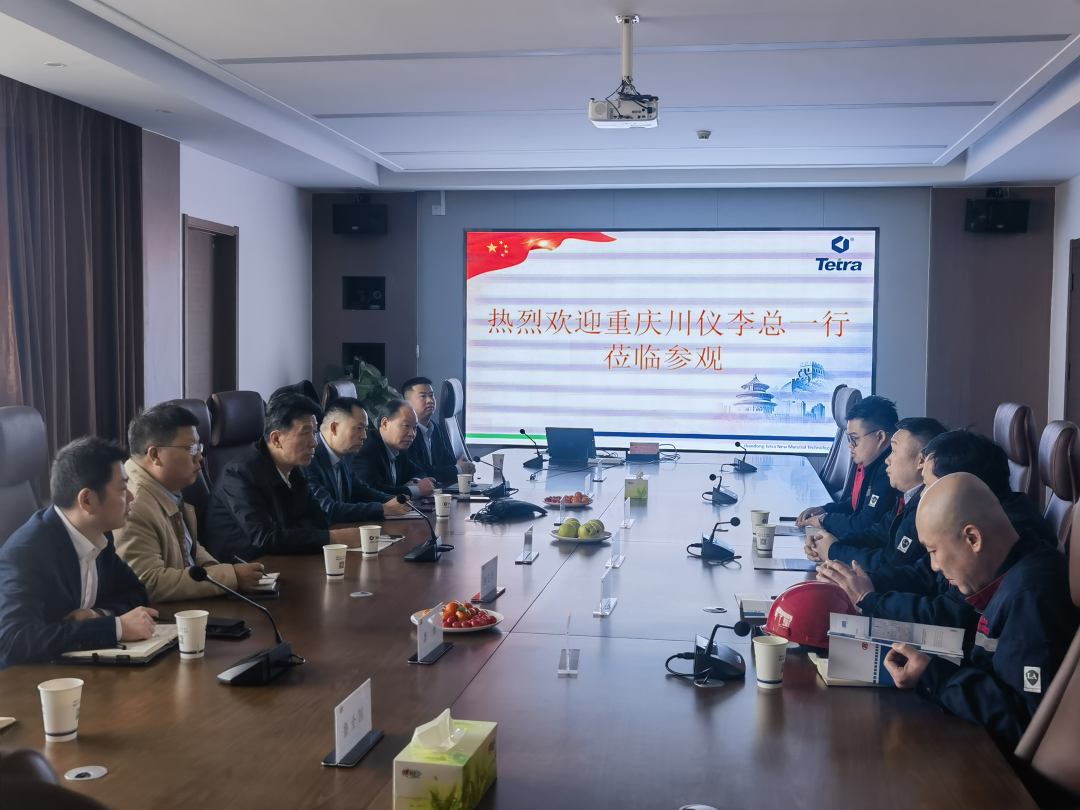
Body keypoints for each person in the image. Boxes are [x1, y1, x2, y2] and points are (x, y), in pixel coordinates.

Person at [882, 473, 1080, 752]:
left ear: (973, 538)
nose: (934, 566)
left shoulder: (1032, 597)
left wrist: (934, 678)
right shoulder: (1015, 575)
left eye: (934, 551)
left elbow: (1026, 723)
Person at [819, 429, 1058, 629]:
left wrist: (870, 600)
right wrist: (864, 582)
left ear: (960, 483)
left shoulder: (1001, 534)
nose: (922, 496)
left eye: (928, 486)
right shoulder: (985, 514)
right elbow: (925, 574)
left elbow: (950, 613)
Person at [0, 438, 156, 669]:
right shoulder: (26, 554)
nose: (132, 497)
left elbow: (136, 591)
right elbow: (13, 642)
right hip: (31, 682)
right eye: (123, 489)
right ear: (87, 500)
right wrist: (115, 628)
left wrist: (98, 614)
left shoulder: (99, 534)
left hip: (79, 670)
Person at [114, 403, 265, 602]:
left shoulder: (164, 487)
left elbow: (190, 550)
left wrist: (220, 572)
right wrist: (230, 577)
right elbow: (147, 582)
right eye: (191, 448)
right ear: (155, 455)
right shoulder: (133, 504)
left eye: (198, 447)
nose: (199, 457)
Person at [203, 393, 361, 561]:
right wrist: (330, 538)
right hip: (244, 567)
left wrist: (286, 532)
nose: (314, 442)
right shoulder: (239, 474)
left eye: (314, 432)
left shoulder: (293, 468)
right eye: (305, 433)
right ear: (276, 438)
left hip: (283, 559)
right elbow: (266, 538)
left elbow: (320, 519)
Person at [806, 417, 946, 571]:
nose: (887, 460)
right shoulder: (906, 497)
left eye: (894, 451)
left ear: (922, 461)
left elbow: (893, 563)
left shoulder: (925, 508)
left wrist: (835, 551)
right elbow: (876, 534)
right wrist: (830, 544)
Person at [796, 396, 899, 536]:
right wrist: (824, 510)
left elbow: (864, 524)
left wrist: (825, 520)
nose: (850, 445)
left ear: (880, 437)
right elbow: (856, 506)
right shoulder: (872, 464)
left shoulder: (889, 471)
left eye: (854, 439)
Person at [302, 397, 411, 523]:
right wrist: (382, 509)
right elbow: (326, 509)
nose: (364, 436)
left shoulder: (342, 455)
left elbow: (362, 492)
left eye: (365, 429)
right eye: (359, 428)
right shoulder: (308, 458)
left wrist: (397, 500)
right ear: (334, 428)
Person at [352, 399, 436, 498]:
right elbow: (373, 490)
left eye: (415, 428)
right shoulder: (366, 449)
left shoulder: (400, 448)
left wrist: (414, 481)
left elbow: (419, 471)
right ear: (385, 423)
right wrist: (416, 490)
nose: (412, 434)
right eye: (406, 426)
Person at [401, 377, 475, 484]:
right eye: (423, 396)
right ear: (407, 404)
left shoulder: (435, 428)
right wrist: (458, 469)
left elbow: (446, 458)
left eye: (431, 395)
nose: (430, 400)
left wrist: (466, 466)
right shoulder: (407, 433)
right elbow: (419, 471)